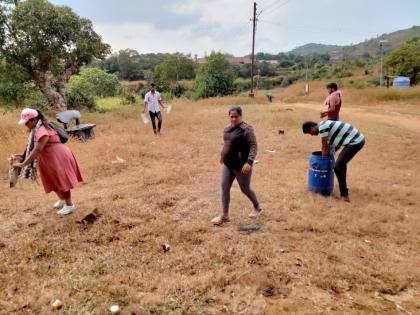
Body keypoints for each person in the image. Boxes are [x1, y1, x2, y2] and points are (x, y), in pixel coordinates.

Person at [13, 108, 84, 215]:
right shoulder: (37, 129)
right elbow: (32, 148)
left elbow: (37, 150)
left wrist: (23, 164)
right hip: (49, 158)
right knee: (52, 180)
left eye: (27, 122)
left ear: (33, 119)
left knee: (61, 181)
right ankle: (62, 200)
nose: (25, 125)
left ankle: (69, 205)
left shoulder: (42, 131)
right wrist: (23, 156)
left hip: (58, 157)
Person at [211, 106, 262, 225]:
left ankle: (257, 207)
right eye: (231, 117)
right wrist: (223, 156)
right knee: (224, 188)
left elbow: (253, 146)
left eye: (236, 116)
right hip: (228, 164)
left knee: (245, 189)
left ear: (241, 116)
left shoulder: (246, 129)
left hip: (242, 165)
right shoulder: (227, 128)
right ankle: (225, 215)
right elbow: (227, 144)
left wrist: (249, 162)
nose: (233, 119)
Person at [302, 120, 365, 202]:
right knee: (341, 164)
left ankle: (344, 196)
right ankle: (344, 190)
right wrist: (331, 153)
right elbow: (334, 145)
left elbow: (324, 146)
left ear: (312, 128)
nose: (312, 135)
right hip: (356, 140)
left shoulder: (322, 128)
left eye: (310, 133)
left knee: (338, 167)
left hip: (355, 142)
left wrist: (324, 162)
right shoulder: (325, 125)